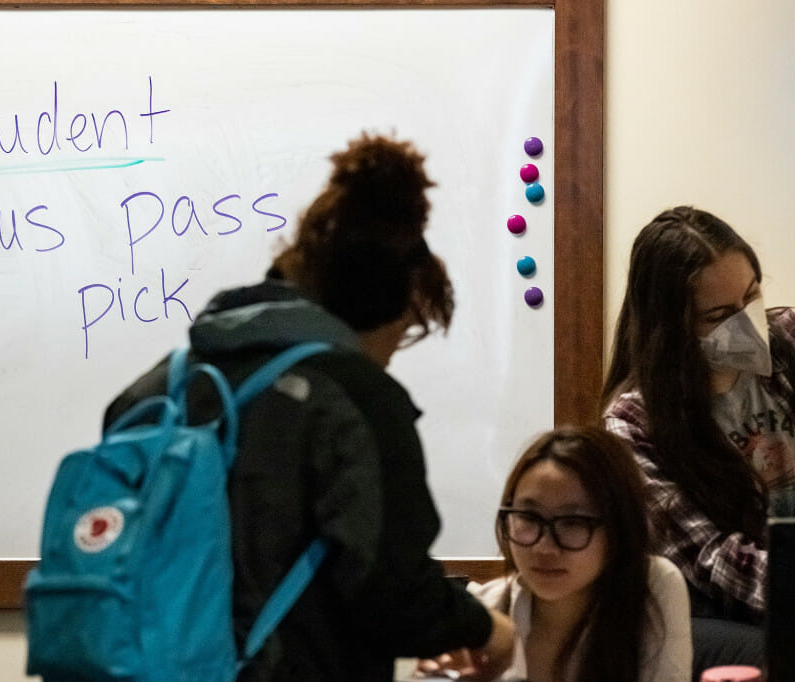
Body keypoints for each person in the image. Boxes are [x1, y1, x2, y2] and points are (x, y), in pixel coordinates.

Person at [102, 132, 515, 682]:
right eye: (408, 329)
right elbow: (391, 591)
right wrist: (487, 629)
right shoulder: (355, 401)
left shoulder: (156, 390)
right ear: (381, 302)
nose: (394, 353)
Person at [601, 206, 795, 677]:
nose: (749, 321)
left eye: (752, 295)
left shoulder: (788, 335)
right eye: (720, 314)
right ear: (673, 328)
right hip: (715, 612)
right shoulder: (633, 424)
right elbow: (715, 561)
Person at [416, 426, 692, 682]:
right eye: (528, 517)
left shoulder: (653, 587)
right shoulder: (483, 613)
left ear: (618, 527)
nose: (544, 548)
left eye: (573, 522)